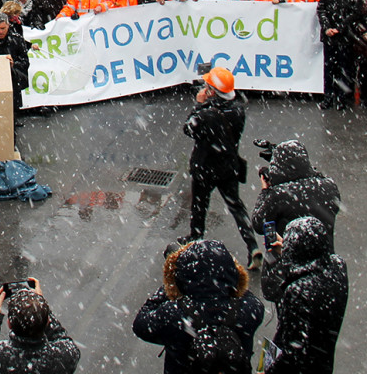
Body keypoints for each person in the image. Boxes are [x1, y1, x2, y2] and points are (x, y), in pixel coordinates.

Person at [133, 239, 264, 374]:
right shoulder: (249, 310)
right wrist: (228, 279)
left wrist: (170, 285)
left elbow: (140, 324)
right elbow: (244, 291)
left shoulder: (173, 315)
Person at [182, 67, 261, 269]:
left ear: (212, 90)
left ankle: (195, 240)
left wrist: (198, 105)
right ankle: (252, 246)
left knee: (199, 205)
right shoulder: (237, 110)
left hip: (205, 168)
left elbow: (188, 128)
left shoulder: (206, 114)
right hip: (228, 166)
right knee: (236, 206)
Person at [261, 216, 349, 374]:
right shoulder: (338, 267)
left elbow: (289, 351)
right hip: (323, 361)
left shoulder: (297, 292)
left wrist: (266, 368)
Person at [0, 277, 79, 374]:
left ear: (9, 323)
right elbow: (62, 338)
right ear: (48, 321)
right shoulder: (64, 356)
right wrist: (41, 306)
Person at [250, 140, 341, 258]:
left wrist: (265, 191)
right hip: (324, 259)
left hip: (288, 262)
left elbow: (258, 223)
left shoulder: (278, 194)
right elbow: (313, 175)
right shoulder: (329, 186)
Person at [0, 12, 31, 121]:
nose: (0, 31)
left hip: (13, 78)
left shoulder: (17, 39)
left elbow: (25, 62)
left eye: (3, 28)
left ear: (8, 25)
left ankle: (14, 118)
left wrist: (14, 64)